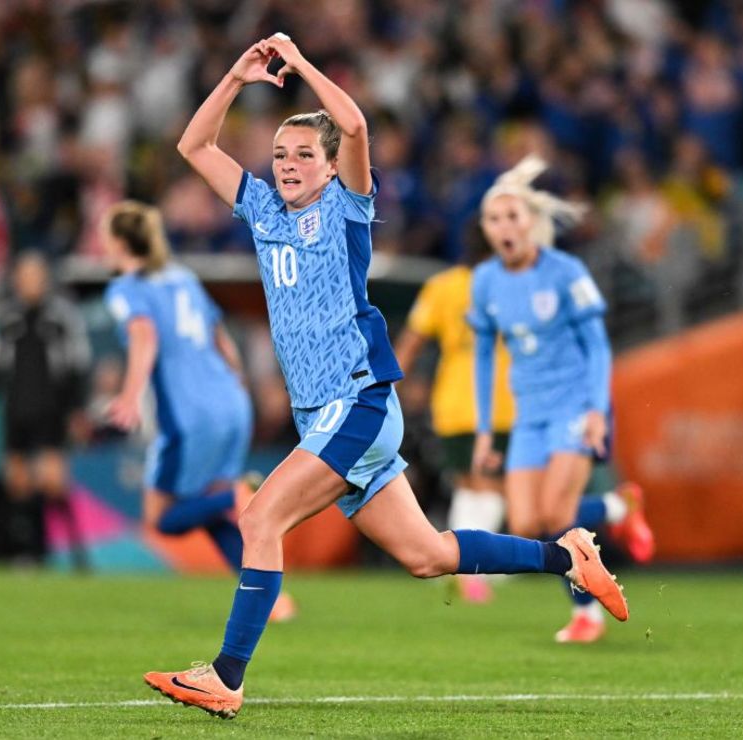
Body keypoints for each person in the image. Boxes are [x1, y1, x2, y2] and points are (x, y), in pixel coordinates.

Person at [143, 35, 628, 720]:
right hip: (325, 414)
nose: (287, 165)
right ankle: (567, 558)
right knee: (427, 554)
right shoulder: (260, 211)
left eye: (304, 154)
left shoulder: (347, 208)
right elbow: (194, 147)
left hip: (357, 397)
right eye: (279, 154)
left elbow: (356, 125)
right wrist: (235, 77)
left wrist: (302, 65)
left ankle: (225, 676)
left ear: (331, 165)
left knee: (259, 519)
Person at [469, 155, 654, 644]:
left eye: (513, 216)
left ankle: (586, 615)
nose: (504, 226)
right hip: (529, 415)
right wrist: (486, 429)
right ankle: (616, 508)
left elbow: (596, 345)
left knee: (557, 514)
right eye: (494, 218)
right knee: (530, 525)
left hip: (575, 406)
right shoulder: (485, 282)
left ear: (531, 223)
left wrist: (596, 410)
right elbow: (485, 355)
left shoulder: (565, 271)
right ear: (485, 228)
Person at [100, 199, 294, 621]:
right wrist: (238, 383)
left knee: (163, 518)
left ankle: (236, 493)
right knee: (209, 512)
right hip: (230, 402)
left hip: (189, 415)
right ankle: (271, 599)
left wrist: (131, 394)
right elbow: (219, 335)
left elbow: (144, 334)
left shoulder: (126, 288)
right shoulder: (183, 278)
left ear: (117, 243)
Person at [394, 237, 517, 604]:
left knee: (467, 484)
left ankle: (454, 561)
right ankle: (469, 567)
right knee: (494, 488)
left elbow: (411, 343)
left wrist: (391, 387)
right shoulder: (510, 285)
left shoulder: (442, 287)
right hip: (499, 402)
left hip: (451, 403)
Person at [0, 253, 91, 562]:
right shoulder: (6, 319)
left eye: (36, 275)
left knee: (52, 482)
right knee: (17, 485)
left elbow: (77, 365)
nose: (30, 282)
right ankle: (24, 553)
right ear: (16, 281)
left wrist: (78, 409)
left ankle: (75, 553)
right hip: (15, 410)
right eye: (25, 276)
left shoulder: (63, 318)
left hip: (51, 411)